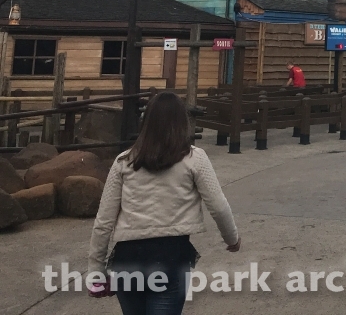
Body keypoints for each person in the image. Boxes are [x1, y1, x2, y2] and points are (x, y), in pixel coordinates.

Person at [88, 91, 240, 315]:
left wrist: (96, 270)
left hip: (127, 260)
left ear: (147, 122)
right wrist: (232, 238)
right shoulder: (195, 159)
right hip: (170, 258)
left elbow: (104, 221)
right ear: (182, 123)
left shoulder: (124, 161)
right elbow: (218, 206)